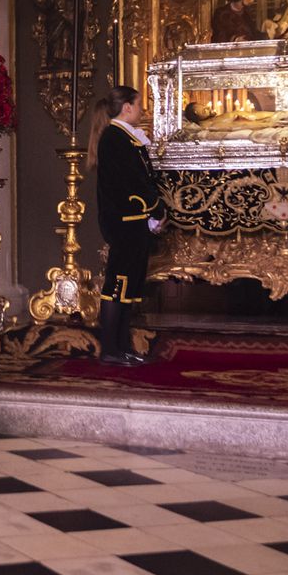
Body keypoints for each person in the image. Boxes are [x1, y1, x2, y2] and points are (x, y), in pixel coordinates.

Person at [87, 85, 164, 365]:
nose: (142, 110)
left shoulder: (125, 137)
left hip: (135, 222)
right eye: (139, 104)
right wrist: (154, 207)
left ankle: (122, 346)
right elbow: (130, 181)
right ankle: (109, 349)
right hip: (125, 221)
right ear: (127, 107)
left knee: (129, 287)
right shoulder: (114, 137)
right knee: (117, 285)